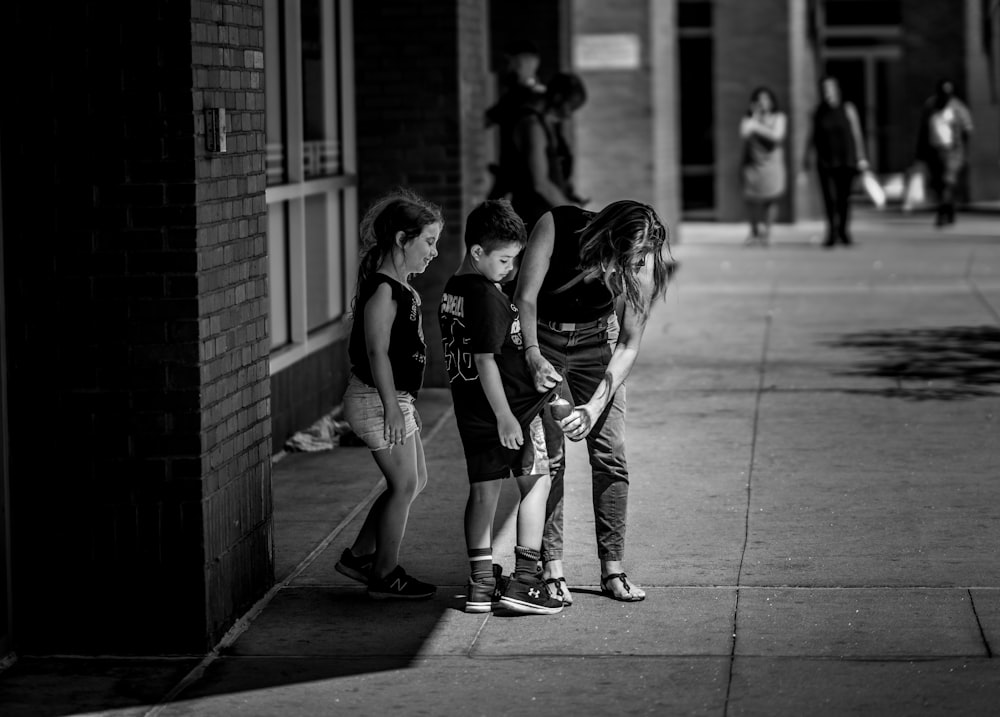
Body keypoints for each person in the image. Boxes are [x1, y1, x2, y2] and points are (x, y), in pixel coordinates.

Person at [513, 200, 674, 604]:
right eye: (621, 263)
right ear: (605, 241)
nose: (626, 272)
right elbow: (525, 297)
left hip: (598, 343)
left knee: (611, 455)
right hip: (544, 339)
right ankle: (552, 568)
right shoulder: (556, 224)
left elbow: (629, 343)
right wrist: (531, 355)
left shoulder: (642, 260)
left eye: (634, 263)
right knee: (551, 458)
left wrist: (595, 406)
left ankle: (613, 569)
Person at [438, 199, 564, 616]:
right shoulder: (485, 297)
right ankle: (526, 582)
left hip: (471, 411)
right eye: (505, 259)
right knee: (537, 483)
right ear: (477, 252)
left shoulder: (453, 291)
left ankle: (481, 585)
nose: (511, 269)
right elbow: (485, 360)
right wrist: (507, 416)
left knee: (483, 493)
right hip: (513, 413)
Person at [334, 189, 443, 600]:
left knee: (415, 481)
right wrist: (391, 409)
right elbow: (376, 350)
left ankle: (359, 556)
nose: (433, 252)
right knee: (404, 484)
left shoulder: (402, 287)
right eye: (428, 242)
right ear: (401, 239)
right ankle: (384, 574)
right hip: (377, 399)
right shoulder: (383, 289)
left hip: (396, 399)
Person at [507, 72, 589, 231]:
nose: (569, 114)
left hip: (547, 215)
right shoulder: (533, 126)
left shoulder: (548, 125)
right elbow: (540, 183)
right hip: (533, 217)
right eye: (570, 106)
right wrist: (573, 210)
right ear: (558, 98)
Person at [804, 75, 869, 248]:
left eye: (830, 88)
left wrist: (861, 157)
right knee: (829, 198)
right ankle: (831, 232)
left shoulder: (848, 109)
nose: (827, 92)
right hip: (826, 162)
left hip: (846, 160)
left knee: (843, 199)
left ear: (837, 90)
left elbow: (856, 134)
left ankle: (844, 231)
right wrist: (806, 158)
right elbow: (812, 136)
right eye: (824, 89)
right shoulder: (818, 112)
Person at [485, 40, 547, 202]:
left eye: (513, 63)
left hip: (520, 176)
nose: (509, 69)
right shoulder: (527, 95)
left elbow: (486, 120)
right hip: (512, 174)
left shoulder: (525, 96)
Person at [915, 78, 974, 227]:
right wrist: (920, 152)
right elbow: (923, 130)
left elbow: (968, 129)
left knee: (947, 182)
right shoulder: (930, 106)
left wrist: (962, 150)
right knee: (938, 184)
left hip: (952, 151)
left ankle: (941, 213)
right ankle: (950, 209)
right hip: (934, 151)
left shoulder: (958, 107)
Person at [740, 86, 787, 246]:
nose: (763, 103)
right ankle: (754, 231)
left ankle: (767, 233)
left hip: (772, 166)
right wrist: (754, 117)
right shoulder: (750, 119)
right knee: (751, 200)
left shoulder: (779, 117)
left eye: (766, 99)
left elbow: (777, 136)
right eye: (759, 100)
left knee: (771, 200)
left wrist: (757, 127)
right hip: (753, 166)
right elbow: (744, 133)